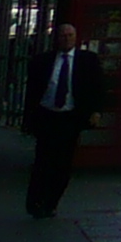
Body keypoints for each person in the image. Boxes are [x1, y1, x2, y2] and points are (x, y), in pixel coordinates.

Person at [23, 17, 104, 218]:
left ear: (76, 38)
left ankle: (51, 203)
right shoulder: (42, 61)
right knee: (42, 162)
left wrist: (95, 111)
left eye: (70, 36)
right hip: (47, 115)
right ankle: (34, 203)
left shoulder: (88, 61)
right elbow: (32, 92)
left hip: (70, 118)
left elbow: (97, 88)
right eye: (63, 35)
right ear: (56, 38)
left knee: (63, 165)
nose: (66, 39)